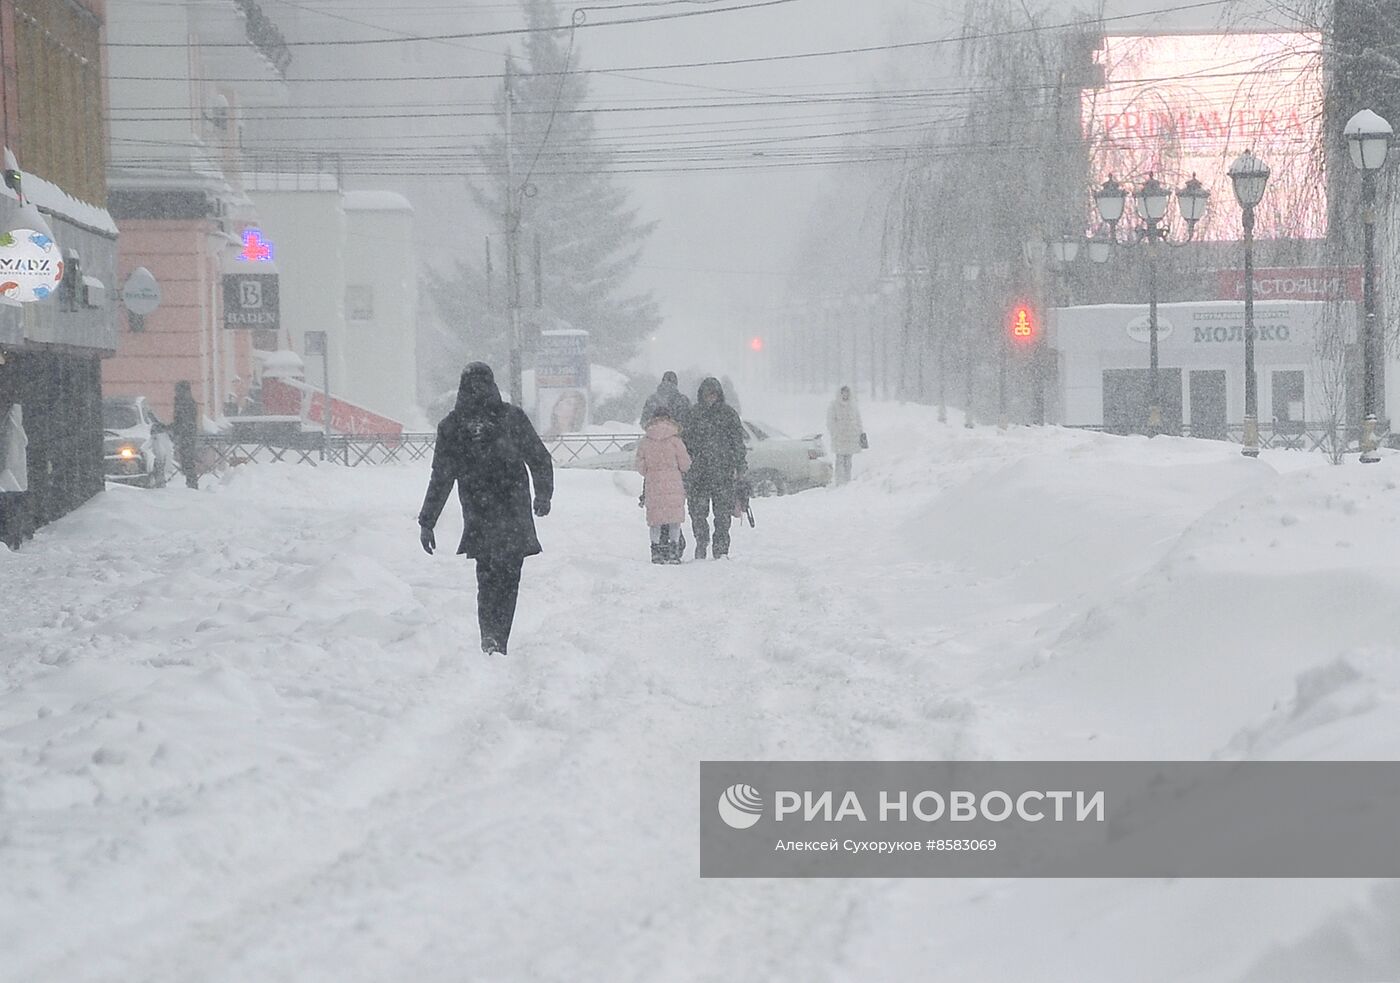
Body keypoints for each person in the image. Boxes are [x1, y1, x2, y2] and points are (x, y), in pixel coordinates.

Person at [418, 362, 554, 656]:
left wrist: (427, 521)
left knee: (487, 577)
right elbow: (540, 457)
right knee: (509, 579)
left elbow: (441, 477)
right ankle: (499, 638)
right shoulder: (512, 418)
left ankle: (489, 637)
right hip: (513, 511)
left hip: (480, 513)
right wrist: (543, 494)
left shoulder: (452, 426)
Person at [683, 377, 746, 560]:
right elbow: (685, 443)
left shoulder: (728, 414)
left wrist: (740, 466)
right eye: (707, 394)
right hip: (698, 475)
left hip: (722, 475)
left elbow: (738, 443)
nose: (710, 398)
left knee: (722, 516)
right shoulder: (693, 415)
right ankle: (701, 543)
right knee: (698, 514)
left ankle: (721, 549)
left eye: (713, 394)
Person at [634, 404, 691, 564]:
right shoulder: (675, 440)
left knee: (655, 520)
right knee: (674, 520)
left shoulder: (646, 441)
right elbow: (685, 463)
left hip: (653, 483)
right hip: (673, 483)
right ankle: (673, 552)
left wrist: (651, 471)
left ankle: (656, 551)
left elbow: (640, 464)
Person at [826, 384, 865, 486]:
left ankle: (847, 482)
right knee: (840, 460)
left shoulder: (853, 405)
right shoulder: (834, 405)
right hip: (839, 438)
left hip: (851, 437)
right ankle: (839, 482)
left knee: (848, 461)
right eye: (843, 392)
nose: (845, 395)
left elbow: (858, 420)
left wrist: (860, 433)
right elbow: (830, 422)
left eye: (847, 392)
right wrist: (836, 433)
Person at [172, 380, 199, 489]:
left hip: (187, 434)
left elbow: (183, 420)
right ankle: (191, 483)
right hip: (187, 434)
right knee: (187, 459)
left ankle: (192, 484)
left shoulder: (185, 403)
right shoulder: (185, 402)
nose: (176, 392)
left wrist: (175, 428)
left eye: (178, 390)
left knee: (187, 459)